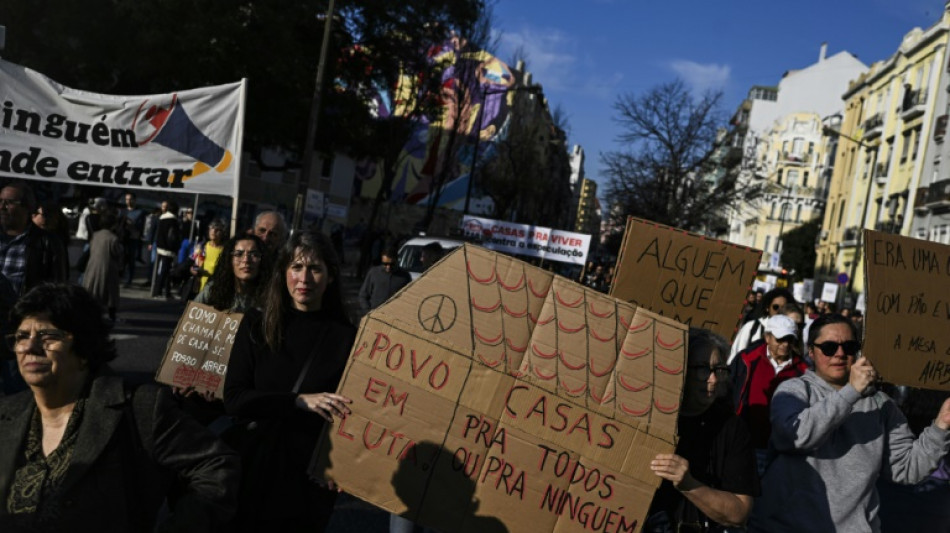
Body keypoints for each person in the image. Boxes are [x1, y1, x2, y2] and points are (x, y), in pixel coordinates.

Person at [0, 283, 239, 531]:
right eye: (21, 336)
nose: (29, 347)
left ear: (83, 348)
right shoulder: (7, 413)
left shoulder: (140, 408)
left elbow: (218, 467)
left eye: (47, 336)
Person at [750, 314, 950, 532]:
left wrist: (941, 425)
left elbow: (907, 468)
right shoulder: (793, 391)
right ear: (811, 351)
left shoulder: (881, 405)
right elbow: (794, 436)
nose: (840, 354)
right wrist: (851, 392)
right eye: (828, 347)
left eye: (849, 346)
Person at [223, 230, 356, 532]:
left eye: (315, 268)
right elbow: (234, 398)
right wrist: (297, 401)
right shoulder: (256, 326)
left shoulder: (348, 338)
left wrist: (345, 466)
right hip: (253, 470)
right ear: (283, 272)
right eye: (296, 267)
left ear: (331, 276)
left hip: (309, 481)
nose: (304, 278)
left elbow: (354, 413)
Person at [646, 328, 759, 531]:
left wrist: (688, 484)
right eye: (702, 369)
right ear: (681, 369)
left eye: (719, 370)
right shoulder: (648, 417)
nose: (713, 379)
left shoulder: (732, 428)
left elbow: (739, 512)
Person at [730, 314, 808, 474]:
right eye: (780, 339)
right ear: (767, 337)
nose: (785, 345)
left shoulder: (804, 370)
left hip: (782, 449)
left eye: (789, 339)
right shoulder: (747, 359)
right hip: (744, 443)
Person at [0, 182, 68, 295]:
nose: (2, 207)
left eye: (10, 202)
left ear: (28, 208)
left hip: (21, 311)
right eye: (0, 201)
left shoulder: (48, 242)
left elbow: (57, 289)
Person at [194, 234, 269, 313]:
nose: (246, 260)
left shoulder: (271, 297)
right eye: (238, 254)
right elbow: (189, 319)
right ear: (229, 260)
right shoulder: (212, 291)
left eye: (254, 254)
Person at [727, 287, 793, 364]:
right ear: (767, 308)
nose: (779, 311)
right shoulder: (752, 327)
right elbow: (736, 356)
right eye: (775, 307)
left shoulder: (791, 333)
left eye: (783, 308)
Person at [82, 207, 124, 322]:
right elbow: (117, 253)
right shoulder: (113, 238)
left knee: (93, 291)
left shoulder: (95, 235)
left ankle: (90, 314)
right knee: (111, 294)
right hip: (108, 268)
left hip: (92, 267)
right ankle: (112, 316)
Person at [359, 246, 411, 315]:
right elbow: (363, 295)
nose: (388, 267)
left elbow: (409, 300)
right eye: (385, 264)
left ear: (397, 260)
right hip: (374, 316)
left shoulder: (405, 276)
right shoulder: (373, 273)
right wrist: (367, 311)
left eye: (392, 264)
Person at [151, 201, 181, 299]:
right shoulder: (173, 221)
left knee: (165, 271)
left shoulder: (162, 218)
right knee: (165, 271)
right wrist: (175, 248)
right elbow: (173, 237)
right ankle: (158, 292)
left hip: (160, 247)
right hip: (169, 249)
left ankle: (166, 292)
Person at [191, 218, 228, 293]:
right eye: (211, 228)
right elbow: (193, 263)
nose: (213, 231)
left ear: (223, 233)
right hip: (199, 287)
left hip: (216, 289)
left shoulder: (226, 251)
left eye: (217, 229)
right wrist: (193, 269)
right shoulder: (202, 246)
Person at [120, 192, 145, 287]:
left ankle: (128, 280)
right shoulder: (123, 211)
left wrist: (131, 223)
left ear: (134, 200)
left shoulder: (140, 212)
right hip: (123, 238)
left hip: (133, 239)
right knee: (122, 259)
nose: (128, 201)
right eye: (126, 199)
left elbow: (141, 227)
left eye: (130, 199)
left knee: (131, 260)